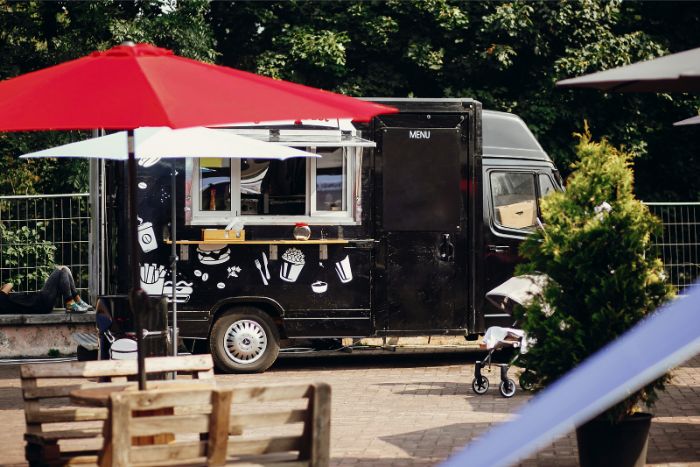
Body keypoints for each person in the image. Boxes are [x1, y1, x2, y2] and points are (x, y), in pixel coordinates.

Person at [0, 266, 92, 314]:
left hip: (42, 303)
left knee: (65, 269)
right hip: (42, 301)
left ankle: (77, 301)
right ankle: (70, 303)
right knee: (62, 270)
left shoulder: (3, 300)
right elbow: (9, 284)